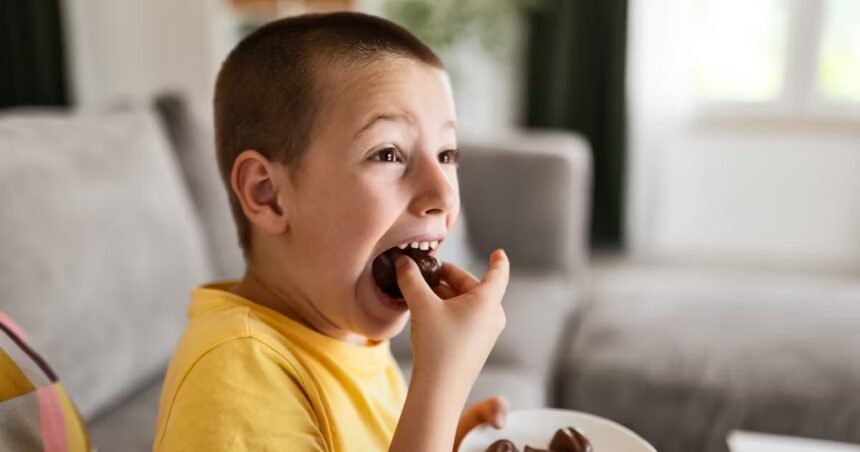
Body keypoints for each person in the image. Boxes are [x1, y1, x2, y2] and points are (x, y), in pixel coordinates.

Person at [154, 11, 510, 452]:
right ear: (268, 194)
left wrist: (451, 434)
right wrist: (443, 381)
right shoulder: (235, 371)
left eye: (447, 153)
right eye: (387, 154)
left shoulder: (350, 332)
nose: (443, 193)